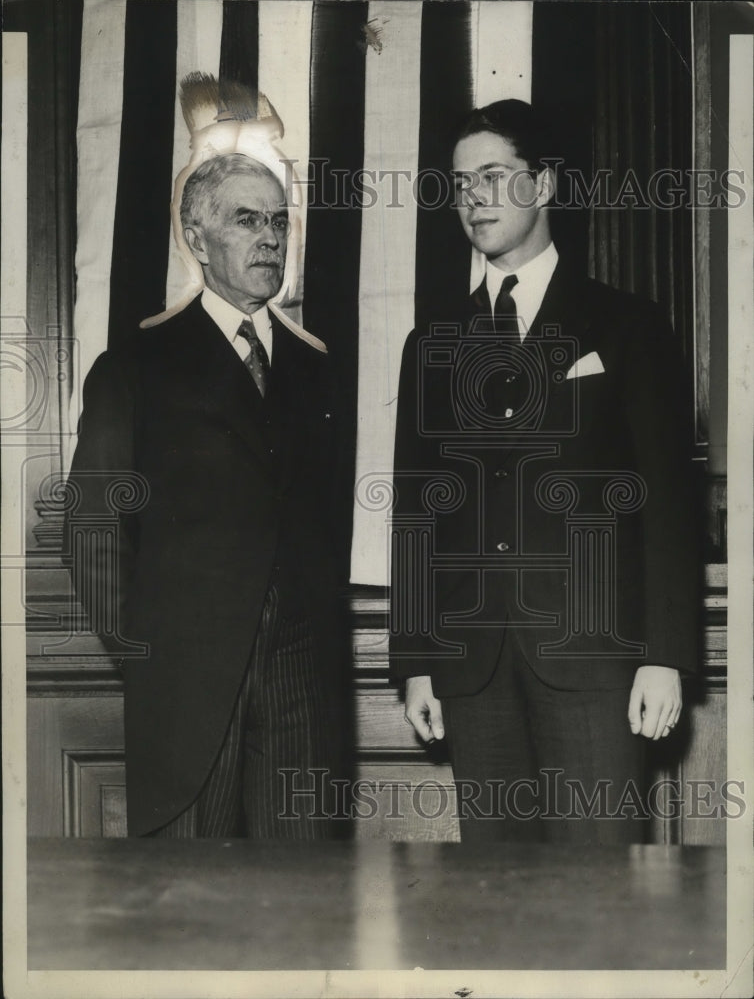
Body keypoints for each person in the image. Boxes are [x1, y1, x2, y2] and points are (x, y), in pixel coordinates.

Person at [389, 100, 699, 843]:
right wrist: (417, 661)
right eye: (461, 184)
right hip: (474, 668)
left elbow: (667, 501)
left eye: (494, 176)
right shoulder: (432, 341)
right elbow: (417, 513)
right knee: (494, 897)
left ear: (547, 184)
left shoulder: (628, 325)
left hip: (596, 662)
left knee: (600, 891)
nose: (475, 198)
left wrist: (665, 657)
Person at [65, 152, 346, 838]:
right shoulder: (135, 366)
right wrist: (150, 657)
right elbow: (93, 530)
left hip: (301, 681)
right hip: (185, 689)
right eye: (247, 220)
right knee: (188, 890)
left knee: (303, 888)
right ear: (195, 238)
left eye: (278, 222)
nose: (270, 239)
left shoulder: (315, 368)